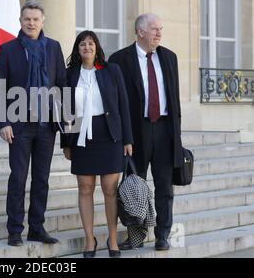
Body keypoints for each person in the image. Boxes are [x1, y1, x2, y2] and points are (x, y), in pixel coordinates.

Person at [0, 1, 67, 247]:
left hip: (46, 125)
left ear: (42, 21)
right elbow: (1, 88)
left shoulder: (54, 48)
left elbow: (61, 83)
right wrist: (3, 122)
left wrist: (64, 117)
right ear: (20, 21)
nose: (31, 23)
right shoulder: (7, 49)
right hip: (19, 125)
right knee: (18, 177)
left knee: (42, 178)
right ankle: (14, 230)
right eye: (27, 19)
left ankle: (37, 227)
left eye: (36, 19)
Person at [109, 14, 183, 251]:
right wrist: (122, 136)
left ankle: (163, 234)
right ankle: (136, 235)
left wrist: (177, 137)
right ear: (140, 32)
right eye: (154, 29)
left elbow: (175, 100)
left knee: (164, 185)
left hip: (164, 130)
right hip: (135, 131)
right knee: (134, 185)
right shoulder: (120, 59)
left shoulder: (169, 57)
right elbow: (115, 103)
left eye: (161, 29)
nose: (159, 33)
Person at [61, 31, 133, 258]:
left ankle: (112, 239)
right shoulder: (70, 74)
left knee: (110, 190)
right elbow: (66, 110)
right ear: (77, 49)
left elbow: (123, 105)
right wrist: (66, 142)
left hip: (109, 135)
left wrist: (128, 139)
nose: (87, 47)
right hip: (81, 135)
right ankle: (89, 239)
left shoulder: (111, 71)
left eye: (91, 43)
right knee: (85, 188)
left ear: (97, 47)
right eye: (82, 44)